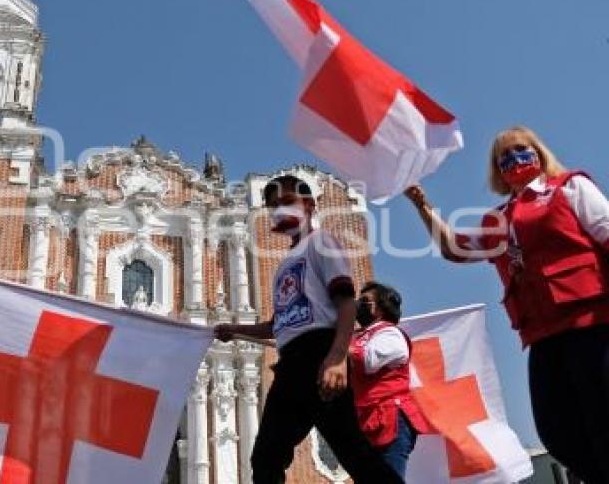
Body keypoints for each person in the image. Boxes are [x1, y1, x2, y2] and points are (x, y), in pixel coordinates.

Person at [404, 125, 609, 484]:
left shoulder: (569, 187)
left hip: (591, 321)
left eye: (521, 150)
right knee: (557, 431)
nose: (514, 159)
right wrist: (423, 206)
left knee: (602, 419)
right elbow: (455, 248)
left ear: (538, 153)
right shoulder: (498, 220)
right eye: (504, 158)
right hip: (543, 336)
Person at [214, 175, 402, 484]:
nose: (278, 211)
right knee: (266, 457)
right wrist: (232, 330)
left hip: (320, 353)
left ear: (309, 205)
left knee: (352, 452)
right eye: (272, 206)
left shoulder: (322, 243)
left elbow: (346, 303)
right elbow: (277, 326)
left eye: (286, 202)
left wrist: (338, 358)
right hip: (290, 365)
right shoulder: (285, 264)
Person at [350, 281, 430, 478]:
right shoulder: (359, 337)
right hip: (368, 422)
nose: (358, 304)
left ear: (380, 308)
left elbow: (367, 360)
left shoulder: (390, 333)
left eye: (365, 301)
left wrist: (335, 343)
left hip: (390, 420)